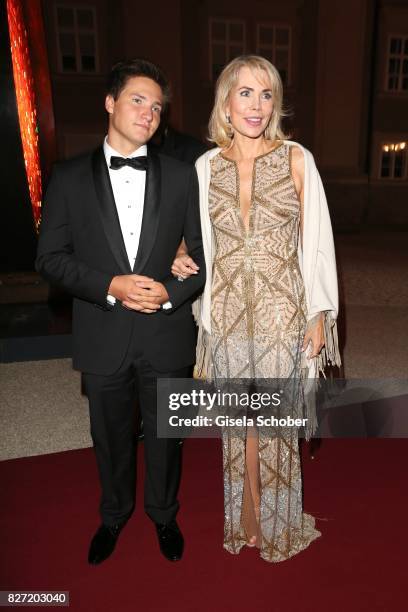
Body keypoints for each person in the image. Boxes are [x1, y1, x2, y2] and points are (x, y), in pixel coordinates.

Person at [172, 55, 341, 562]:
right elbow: (195, 240)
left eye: (266, 94)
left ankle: (270, 521)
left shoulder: (295, 158)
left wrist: (319, 313)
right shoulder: (205, 167)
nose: (257, 105)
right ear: (225, 101)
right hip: (224, 314)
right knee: (237, 424)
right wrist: (181, 255)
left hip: (279, 312)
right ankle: (248, 516)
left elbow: (318, 241)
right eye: (245, 93)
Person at [36, 59, 205, 565]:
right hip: (102, 332)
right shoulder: (67, 178)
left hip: (167, 334)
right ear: (109, 103)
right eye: (137, 100)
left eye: (156, 107)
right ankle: (113, 516)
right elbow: (49, 259)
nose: (148, 113)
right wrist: (109, 284)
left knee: (166, 436)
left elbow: (203, 258)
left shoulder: (181, 177)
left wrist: (171, 294)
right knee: (108, 438)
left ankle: (164, 513)